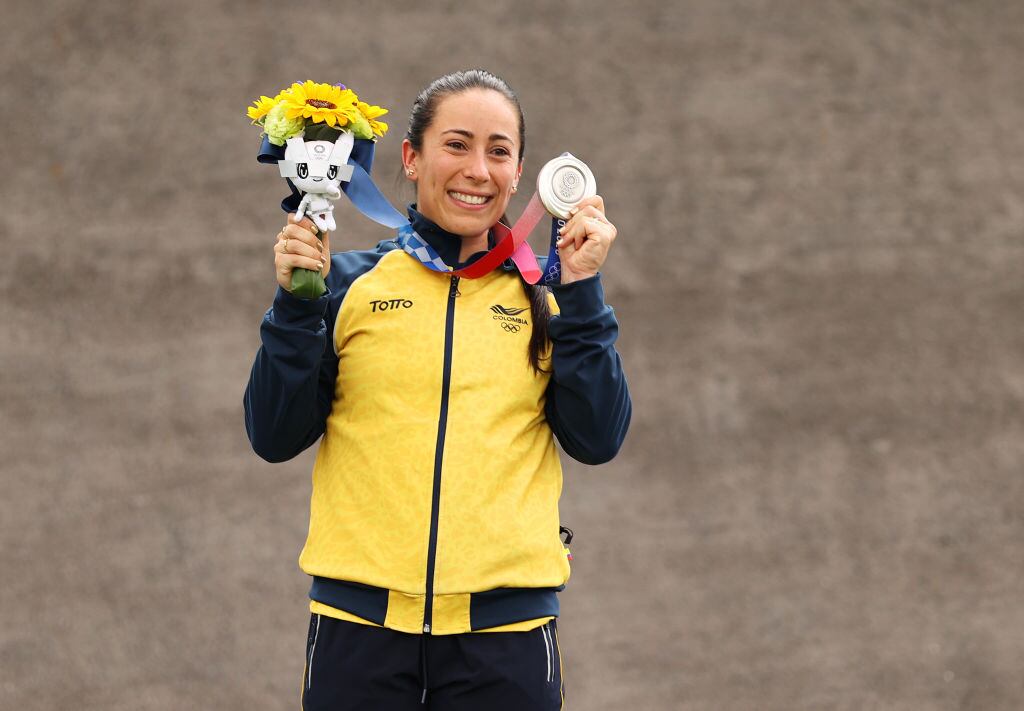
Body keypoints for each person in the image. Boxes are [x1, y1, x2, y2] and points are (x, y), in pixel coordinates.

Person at [244, 69, 631, 710]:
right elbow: (273, 435)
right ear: (411, 158)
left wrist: (584, 292)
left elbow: (598, 440)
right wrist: (292, 308)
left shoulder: (549, 296)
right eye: (456, 144)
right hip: (359, 633)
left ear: (520, 173)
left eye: (498, 151)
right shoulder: (344, 285)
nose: (477, 169)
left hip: (504, 641)